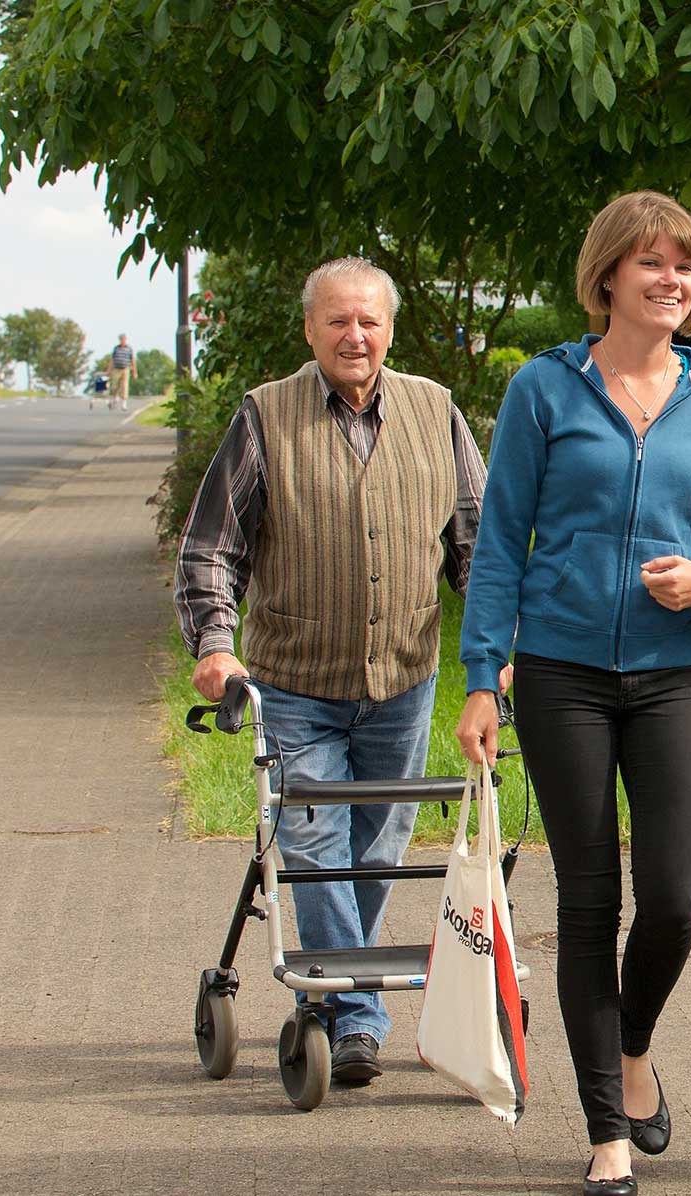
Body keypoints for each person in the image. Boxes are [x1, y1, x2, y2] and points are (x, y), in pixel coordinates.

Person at [456, 191, 691, 1196]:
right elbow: (499, 542)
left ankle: (635, 1043)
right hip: (560, 674)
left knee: (678, 901)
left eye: (684, 265)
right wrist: (483, 677)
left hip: (669, 675)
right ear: (607, 275)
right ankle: (607, 1128)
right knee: (589, 898)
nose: (672, 280)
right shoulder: (544, 389)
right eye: (651, 263)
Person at [175, 256, 490, 1088]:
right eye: (338, 321)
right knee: (316, 851)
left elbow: (476, 544)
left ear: (389, 329)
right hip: (291, 680)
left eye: (370, 321)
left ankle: (331, 993)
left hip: (403, 681)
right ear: (310, 331)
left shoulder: (436, 410)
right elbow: (213, 547)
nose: (356, 336)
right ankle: (354, 1014)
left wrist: (499, 654)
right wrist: (215, 643)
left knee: (377, 852)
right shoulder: (264, 416)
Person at [107, 334, 136, 411]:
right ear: (119, 340)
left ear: (126, 340)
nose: (122, 341)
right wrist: (109, 370)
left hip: (125, 369)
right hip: (116, 369)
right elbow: (112, 359)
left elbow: (132, 360)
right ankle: (115, 398)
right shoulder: (116, 348)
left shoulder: (129, 349)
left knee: (124, 386)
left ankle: (124, 404)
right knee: (114, 386)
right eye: (121, 339)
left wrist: (134, 372)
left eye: (124, 339)